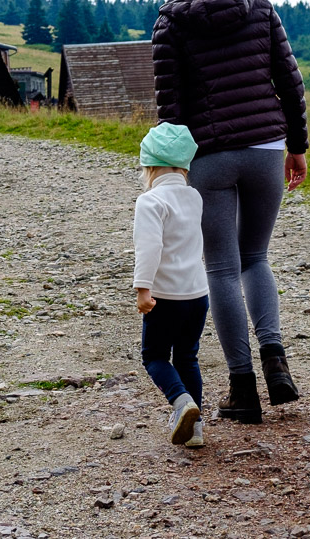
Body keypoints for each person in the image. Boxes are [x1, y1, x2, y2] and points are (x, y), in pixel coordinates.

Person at [152, 0, 308, 425]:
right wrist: (297, 147)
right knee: (255, 257)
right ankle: (276, 361)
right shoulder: (258, 5)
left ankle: (243, 388)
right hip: (266, 148)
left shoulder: (170, 22)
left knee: (220, 267)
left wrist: (171, 172)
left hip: (209, 155)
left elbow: (170, 110)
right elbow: (289, 78)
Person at [134, 122, 209, 448]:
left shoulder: (150, 201)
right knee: (187, 358)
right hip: (197, 294)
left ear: (149, 165)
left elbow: (149, 248)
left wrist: (142, 289)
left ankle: (181, 403)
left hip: (166, 296)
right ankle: (195, 430)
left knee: (154, 356)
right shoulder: (194, 197)